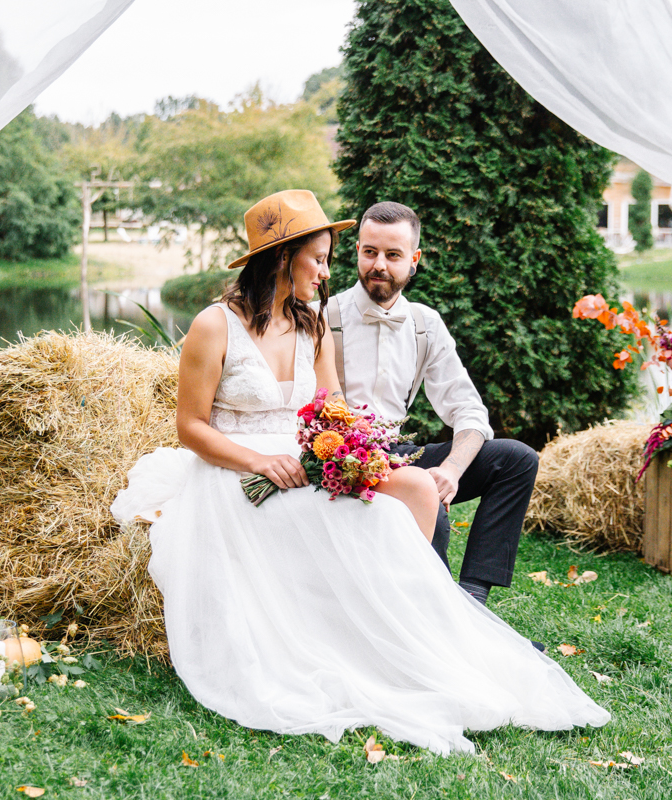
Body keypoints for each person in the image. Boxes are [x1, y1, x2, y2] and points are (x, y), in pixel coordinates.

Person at [112, 190, 608, 755]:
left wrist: (357, 459)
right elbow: (191, 428)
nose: (327, 272)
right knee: (372, 518)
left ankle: (432, 625)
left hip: (314, 457)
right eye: (320, 259)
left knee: (419, 487)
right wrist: (259, 461)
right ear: (282, 258)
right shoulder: (213, 325)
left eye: (329, 260)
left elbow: (333, 409)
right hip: (236, 473)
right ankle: (395, 633)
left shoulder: (316, 324)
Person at [325, 201, 537, 609]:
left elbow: (468, 410)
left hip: (398, 453)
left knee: (516, 459)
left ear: (414, 260)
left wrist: (451, 469)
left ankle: (472, 596)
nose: (379, 265)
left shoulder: (425, 324)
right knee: (431, 508)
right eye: (369, 252)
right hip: (343, 458)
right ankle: (435, 615)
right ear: (356, 252)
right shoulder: (325, 315)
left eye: (393, 255)